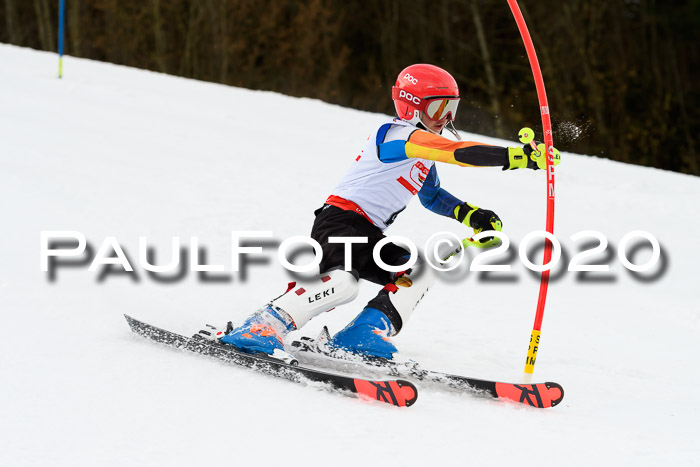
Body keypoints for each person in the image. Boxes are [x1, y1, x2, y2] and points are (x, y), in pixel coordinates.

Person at [205, 64, 560, 361]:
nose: (445, 119)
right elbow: (457, 152)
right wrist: (516, 157)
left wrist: (470, 214)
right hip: (340, 221)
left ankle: (362, 334)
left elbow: (432, 195)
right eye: (438, 110)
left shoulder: (422, 150)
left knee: (420, 271)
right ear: (411, 106)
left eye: (451, 110)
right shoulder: (395, 135)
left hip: (371, 233)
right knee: (343, 284)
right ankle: (265, 325)